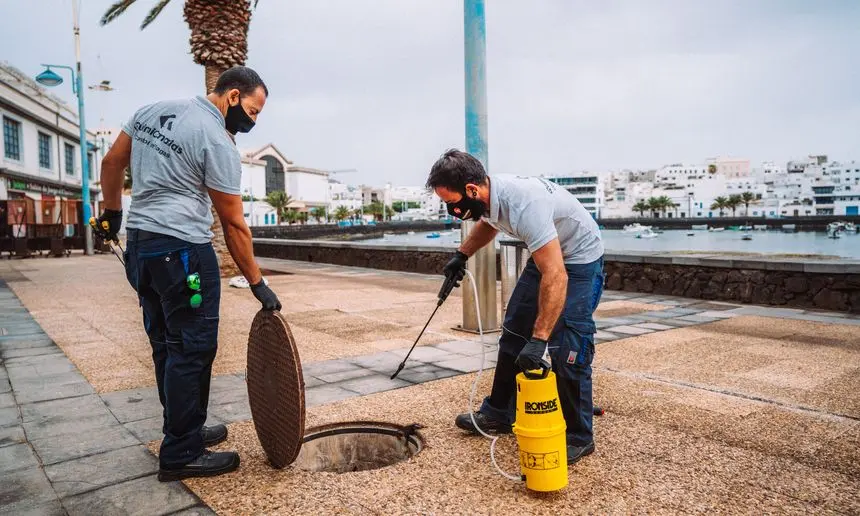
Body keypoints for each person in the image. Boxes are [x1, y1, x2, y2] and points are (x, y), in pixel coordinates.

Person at [93, 66, 282, 482]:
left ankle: (186, 429)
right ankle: (181, 452)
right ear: (233, 96)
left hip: (141, 248)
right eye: (252, 111)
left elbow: (111, 163)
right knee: (191, 349)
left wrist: (110, 215)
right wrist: (257, 283)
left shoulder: (152, 110)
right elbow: (233, 224)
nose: (252, 121)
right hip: (182, 253)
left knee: (166, 343)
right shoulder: (215, 138)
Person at [428, 149, 605, 464]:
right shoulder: (490, 197)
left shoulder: (525, 204)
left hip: (578, 261)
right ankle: (499, 412)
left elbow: (557, 275)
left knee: (568, 346)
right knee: (512, 334)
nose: (452, 210)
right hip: (547, 255)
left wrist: (539, 341)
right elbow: (490, 224)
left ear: (471, 190)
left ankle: (579, 435)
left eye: (452, 203)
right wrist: (462, 254)